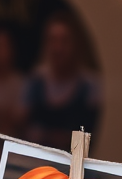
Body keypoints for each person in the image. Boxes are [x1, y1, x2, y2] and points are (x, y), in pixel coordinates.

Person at [25, 14, 101, 150]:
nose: (58, 48)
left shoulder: (90, 85)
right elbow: (20, 128)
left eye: (64, 41)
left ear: (75, 45)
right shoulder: (35, 81)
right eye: (53, 40)